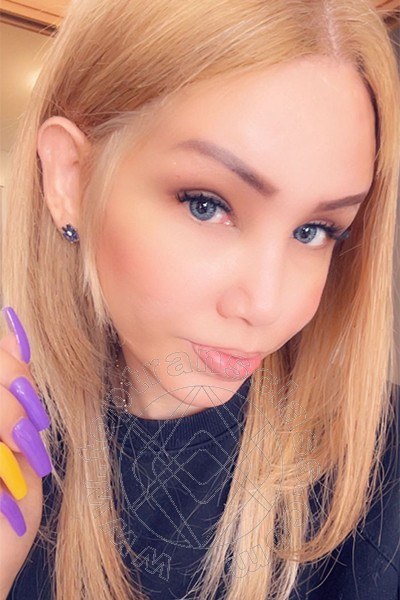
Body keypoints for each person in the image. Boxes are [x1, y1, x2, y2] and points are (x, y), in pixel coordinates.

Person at [0, 0, 399, 598]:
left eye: (315, 231)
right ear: (71, 178)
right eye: (207, 205)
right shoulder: (18, 437)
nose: (266, 305)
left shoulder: (379, 475)